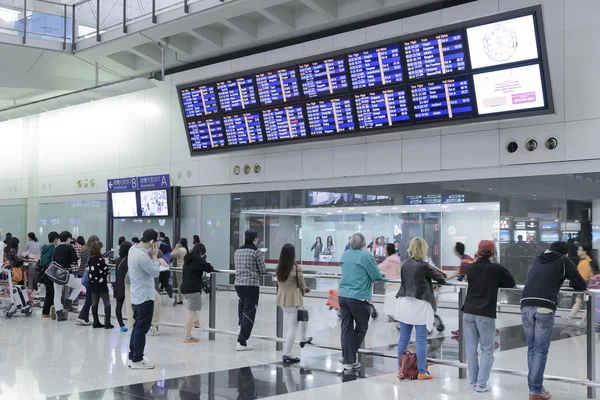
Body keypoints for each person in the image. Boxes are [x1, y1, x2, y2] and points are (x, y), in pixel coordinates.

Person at [521, 241, 587, 400]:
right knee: (540, 350)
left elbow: (533, 277)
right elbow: (581, 284)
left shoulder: (538, 258)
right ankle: (536, 391)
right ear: (565, 254)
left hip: (526, 304)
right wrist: (568, 282)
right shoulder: (563, 260)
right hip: (545, 305)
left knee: (532, 349)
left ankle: (535, 387)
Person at [462, 240, 516, 392]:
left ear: (478, 252)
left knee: (471, 349)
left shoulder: (470, 267)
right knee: (486, 350)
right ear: (493, 253)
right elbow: (511, 282)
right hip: (485, 313)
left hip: (468, 311)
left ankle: (474, 381)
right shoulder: (495, 268)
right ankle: (481, 384)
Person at [395, 237, 446, 380]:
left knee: (403, 339)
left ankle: (401, 369)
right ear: (424, 249)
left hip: (404, 302)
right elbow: (441, 278)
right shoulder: (424, 265)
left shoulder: (405, 264)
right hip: (420, 304)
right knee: (421, 339)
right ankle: (422, 371)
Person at [338, 232, 383, 370]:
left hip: (343, 296)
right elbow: (376, 275)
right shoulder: (366, 256)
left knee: (346, 328)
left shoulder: (345, 254)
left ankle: (347, 357)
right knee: (362, 326)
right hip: (358, 297)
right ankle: (348, 358)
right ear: (363, 244)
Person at [128, 229, 161, 369]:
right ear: (153, 242)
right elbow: (154, 272)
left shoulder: (133, 249)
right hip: (145, 297)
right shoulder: (143, 257)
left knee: (137, 327)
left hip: (136, 295)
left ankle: (133, 355)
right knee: (142, 329)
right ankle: (137, 359)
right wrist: (154, 257)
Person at [276, 243, 313, 363]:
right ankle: (287, 353)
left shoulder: (279, 268)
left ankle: (303, 338)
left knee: (303, 316)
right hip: (293, 301)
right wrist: (305, 290)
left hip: (282, 301)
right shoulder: (297, 269)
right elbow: (302, 285)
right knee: (293, 327)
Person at [234, 229, 266, 351]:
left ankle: (240, 327)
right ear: (254, 239)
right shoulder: (255, 251)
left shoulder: (237, 251)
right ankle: (242, 341)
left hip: (238, 284)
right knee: (250, 311)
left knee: (242, 307)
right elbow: (262, 269)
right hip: (251, 285)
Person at [181, 243, 215, 343]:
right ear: (201, 252)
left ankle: (196, 322)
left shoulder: (187, 258)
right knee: (191, 312)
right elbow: (209, 268)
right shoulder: (198, 259)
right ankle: (187, 336)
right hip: (193, 288)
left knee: (192, 310)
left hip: (184, 288)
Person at [52, 231, 82, 321]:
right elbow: (74, 259)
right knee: (78, 287)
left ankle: (59, 313)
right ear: (69, 238)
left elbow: (54, 259)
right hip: (66, 273)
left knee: (57, 293)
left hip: (56, 273)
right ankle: (68, 302)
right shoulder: (70, 247)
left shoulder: (56, 248)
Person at [562, 243, 594, 325]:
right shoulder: (584, 261)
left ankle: (579, 320)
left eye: (579, 249)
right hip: (588, 285)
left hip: (589, 286)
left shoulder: (585, 262)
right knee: (580, 301)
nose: (578, 251)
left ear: (584, 251)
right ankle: (574, 318)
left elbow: (583, 277)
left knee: (584, 303)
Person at [449, 242, 475, 336]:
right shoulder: (465, 258)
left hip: (472, 287)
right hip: (473, 286)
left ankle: (462, 330)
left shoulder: (465, 260)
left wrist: (445, 279)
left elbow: (459, 273)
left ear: (456, 251)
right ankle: (462, 329)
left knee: (467, 309)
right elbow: (460, 273)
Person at [87, 241, 113, 329]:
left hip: (93, 285)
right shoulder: (101, 260)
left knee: (94, 303)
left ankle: (95, 322)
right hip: (101, 285)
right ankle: (107, 323)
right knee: (106, 302)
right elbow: (106, 271)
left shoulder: (90, 260)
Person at [76, 235, 100, 326]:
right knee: (89, 299)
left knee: (89, 299)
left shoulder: (85, 249)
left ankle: (85, 317)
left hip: (84, 274)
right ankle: (82, 317)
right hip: (89, 276)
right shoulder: (90, 251)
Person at [378, 243, 401, 320]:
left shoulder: (389, 259)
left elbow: (380, 267)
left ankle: (392, 316)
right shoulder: (396, 258)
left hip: (391, 282)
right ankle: (396, 315)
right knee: (395, 300)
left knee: (390, 300)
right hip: (397, 281)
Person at [40, 231, 59, 319]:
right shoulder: (53, 248)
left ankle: (49, 311)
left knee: (49, 291)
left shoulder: (44, 247)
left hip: (43, 271)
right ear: (55, 239)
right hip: (50, 272)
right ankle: (46, 312)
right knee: (51, 292)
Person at [114, 241, 132, 332]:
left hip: (118, 284)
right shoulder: (129, 260)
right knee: (131, 305)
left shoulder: (118, 259)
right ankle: (132, 322)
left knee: (119, 305)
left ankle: (121, 324)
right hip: (127, 285)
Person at [170, 238, 189, 306]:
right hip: (186, 268)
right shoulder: (188, 249)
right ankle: (185, 297)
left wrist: (175, 248)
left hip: (179, 269)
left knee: (180, 284)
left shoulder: (179, 250)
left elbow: (171, 255)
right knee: (184, 283)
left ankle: (180, 299)